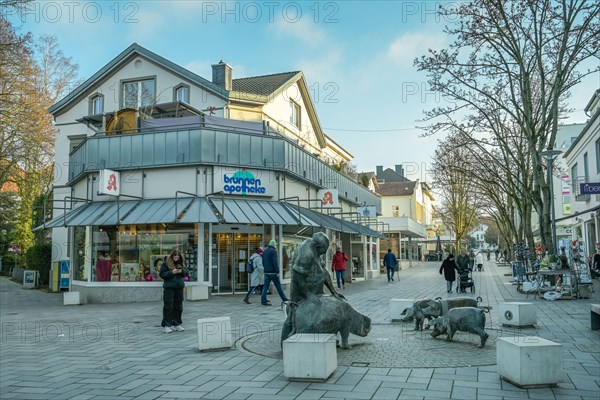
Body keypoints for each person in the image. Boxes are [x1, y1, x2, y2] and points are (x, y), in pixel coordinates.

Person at [159, 249, 189, 333]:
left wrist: (181, 271)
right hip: (169, 288)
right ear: (172, 256)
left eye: (178, 255)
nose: (176, 257)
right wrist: (172, 272)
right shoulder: (166, 264)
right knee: (168, 306)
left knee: (179, 306)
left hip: (179, 287)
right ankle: (167, 325)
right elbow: (162, 274)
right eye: (175, 255)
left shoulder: (181, 264)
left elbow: (187, 272)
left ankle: (177, 324)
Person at [261, 240, 290, 306]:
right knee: (278, 286)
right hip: (273, 272)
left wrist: (265, 269)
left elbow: (263, 261)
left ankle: (263, 301)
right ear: (274, 245)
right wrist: (277, 271)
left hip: (266, 272)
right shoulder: (273, 251)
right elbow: (275, 262)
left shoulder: (265, 251)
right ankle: (284, 299)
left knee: (265, 286)